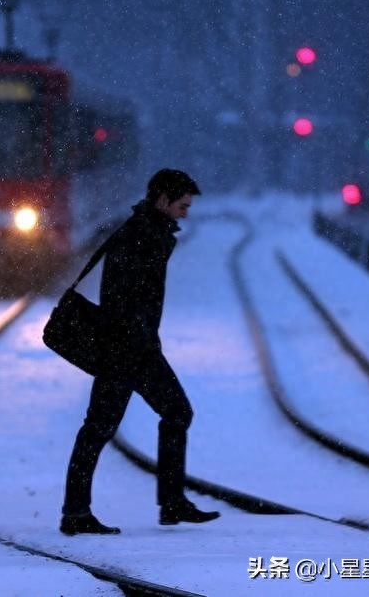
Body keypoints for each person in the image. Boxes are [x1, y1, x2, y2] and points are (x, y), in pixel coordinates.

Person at [60, 169, 220, 535]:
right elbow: (124, 297)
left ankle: (169, 503)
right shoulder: (142, 235)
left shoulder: (146, 230)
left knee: (166, 414)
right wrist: (138, 341)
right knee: (103, 427)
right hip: (127, 349)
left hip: (134, 346)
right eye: (182, 205)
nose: (185, 214)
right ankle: (78, 512)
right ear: (162, 200)